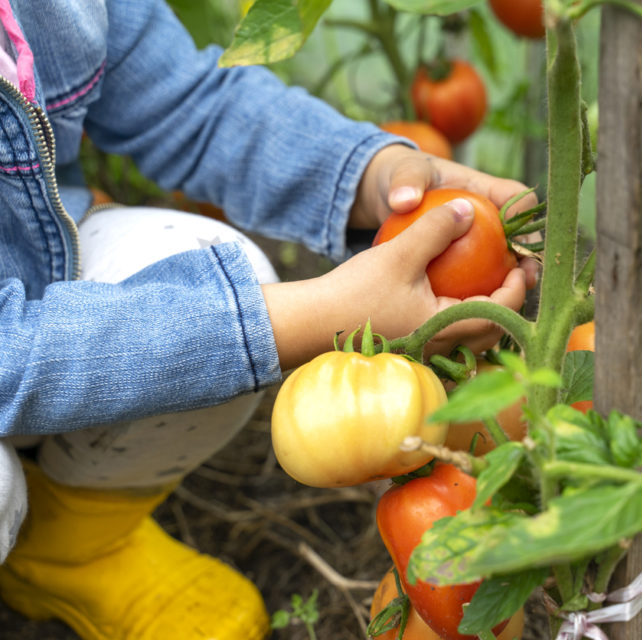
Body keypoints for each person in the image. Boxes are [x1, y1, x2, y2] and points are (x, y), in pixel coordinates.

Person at [0, 1, 537, 639]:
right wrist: (296, 319)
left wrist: (368, 174)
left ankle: (72, 548)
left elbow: (188, 104)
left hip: (37, 260)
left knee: (222, 272)